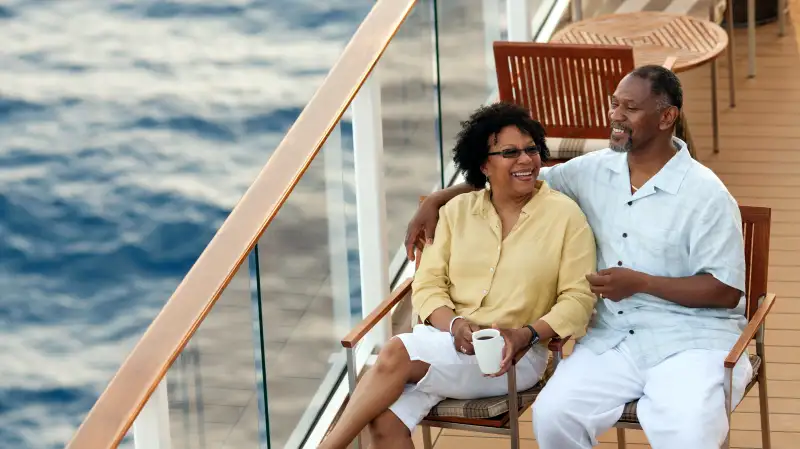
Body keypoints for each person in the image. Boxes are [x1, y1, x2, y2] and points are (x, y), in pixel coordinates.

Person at [403, 65, 752, 449]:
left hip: (690, 341)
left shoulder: (707, 195)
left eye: (630, 108)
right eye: (614, 104)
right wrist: (438, 198)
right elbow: (516, 176)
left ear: (667, 117)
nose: (615, 116)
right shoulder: (592, 170)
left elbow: (725, 291)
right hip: (612, 340)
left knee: (688, 433)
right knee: (554, 416)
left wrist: (642, 283)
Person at [319, 102, 598, 449]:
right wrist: (455, 326)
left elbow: (578, 299)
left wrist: (525, 334)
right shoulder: (455, 213)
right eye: (509, 152)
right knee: (384, 421)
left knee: (394, 353)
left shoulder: (565, 216)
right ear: (484, 164)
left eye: (531, 150)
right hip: (444, 344)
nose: (526, 160)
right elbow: (428, 285)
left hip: (516, 358)